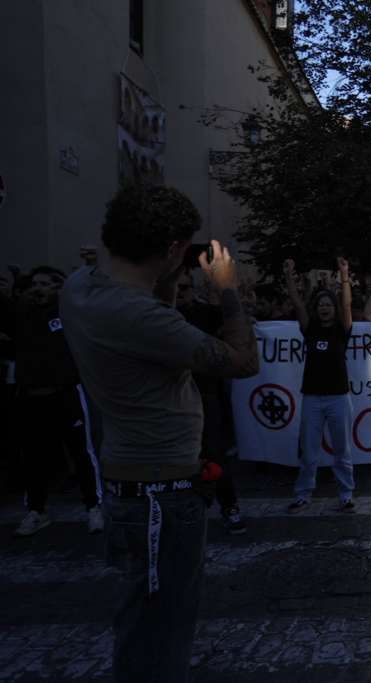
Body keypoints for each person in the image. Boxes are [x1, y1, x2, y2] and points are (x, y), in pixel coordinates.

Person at [60, 184, 259, 683]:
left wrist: (169, 280)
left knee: (143, 624)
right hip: (160, 498)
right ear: (173, 250)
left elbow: (158, 326)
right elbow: (241, 361)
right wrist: (229, 290)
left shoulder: (80, 287)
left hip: (134, 484)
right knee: (160, 637)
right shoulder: (135, 314)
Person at [12, 266, 103, 537]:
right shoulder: (21, 315)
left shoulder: (70, 313)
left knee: (82, 453)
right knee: (33, 456)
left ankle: (94, 507)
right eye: (34, 284)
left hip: (66, 394)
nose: (37, 288)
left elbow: (92, 300)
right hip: (31, 397)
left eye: (45, 284)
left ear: (58, 288)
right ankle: (36, 511)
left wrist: (86, 268)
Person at [283, 256, 356, 513]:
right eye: (321, 304)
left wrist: (344, 276)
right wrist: (289, 276)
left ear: (334, 309)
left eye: (329, 304)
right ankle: (303, 494)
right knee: (309, 452)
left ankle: (346, 494)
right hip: (312, 398)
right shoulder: (310, 328)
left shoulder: (341, 330)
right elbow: (296, 301)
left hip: (338, 397)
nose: (325, 308)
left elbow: (347, 304)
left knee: (342, 451)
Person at [176, 272, 247, 535]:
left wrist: (226, 287)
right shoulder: (159, 316)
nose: (179, 292)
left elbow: (237, 324)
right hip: (170, 398)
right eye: (175, 287)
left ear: (192, 289)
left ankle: (229, 506)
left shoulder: (207, 313)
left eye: (184, 287)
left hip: (205, 394)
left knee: (215, 453)